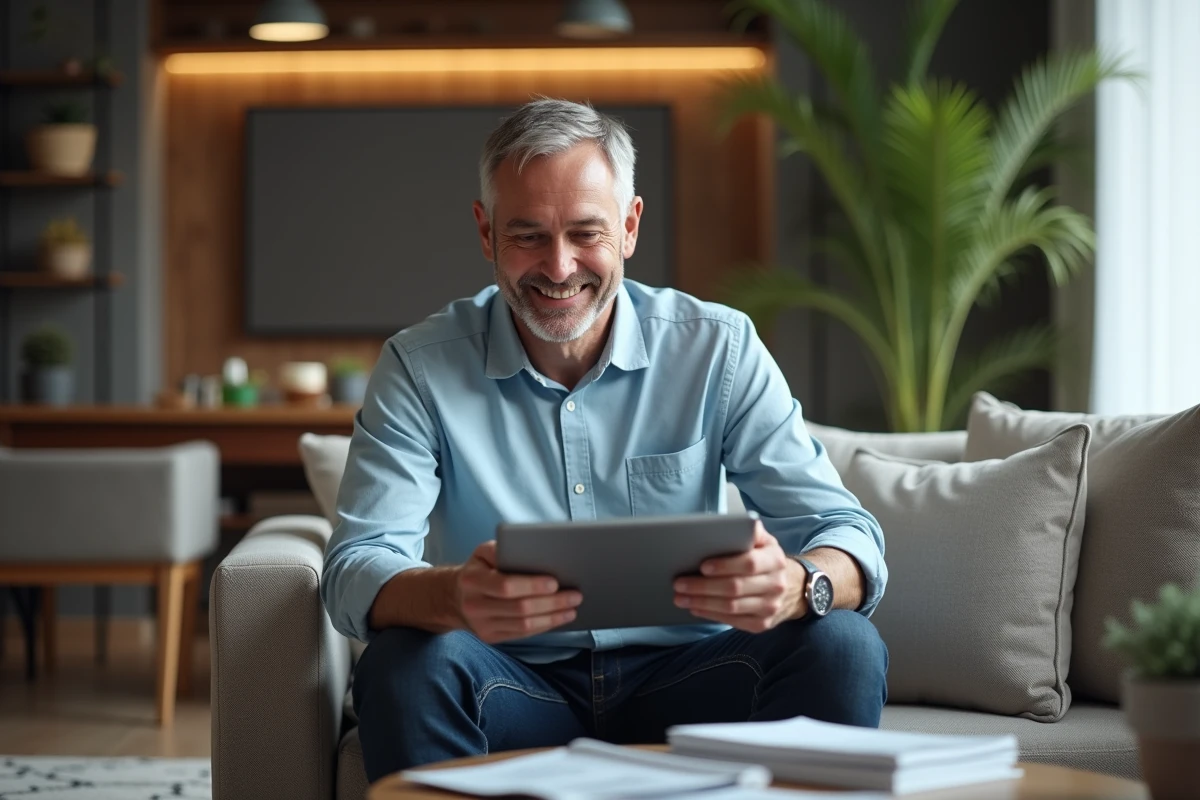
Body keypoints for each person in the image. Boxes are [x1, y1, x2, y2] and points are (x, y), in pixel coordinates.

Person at [321, 98, 888, 783]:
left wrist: (801, 584)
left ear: (629, 226)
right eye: (528, 235)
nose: (559, 267)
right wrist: (453, 595)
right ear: (486, 232)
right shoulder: (419, 367)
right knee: (404, 665)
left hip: (695, 678)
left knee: (843, 645)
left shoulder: (719, 348)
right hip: (512, 681)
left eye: (585, 233)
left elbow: (846, 532)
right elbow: (356, 566)